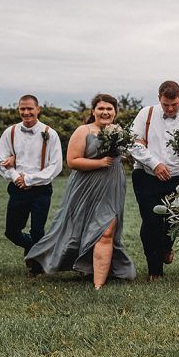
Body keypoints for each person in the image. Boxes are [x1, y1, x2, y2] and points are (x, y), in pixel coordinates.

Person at [26, 94, 136, 289]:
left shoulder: (119, 131)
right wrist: (100, 163)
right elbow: (72, 161)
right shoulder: (83, 130)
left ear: (115, 112)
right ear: (93, 111)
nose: (105, 112)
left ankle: (98, 284)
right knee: (75, 229)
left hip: (111, 186)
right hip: (85, 187)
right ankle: (46, 258)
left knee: (106, 231)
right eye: (101, 108)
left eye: (109, 109)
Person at [129, 80, 179, 282]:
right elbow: (133, 144)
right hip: (146, 177)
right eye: (166, 104)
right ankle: (155, 270)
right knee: (150, 222)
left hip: (175, 179)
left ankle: (166, 247)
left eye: (174, 104)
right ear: (159, 98)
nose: (169, 109)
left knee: (171, 222)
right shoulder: (146, 114)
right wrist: (155, 164)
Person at [0, 94, 63, 259]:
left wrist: (29, 180)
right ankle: (32, 247)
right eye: (22, 109)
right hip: (17, 188)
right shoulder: (10, 132)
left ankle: (37, 264)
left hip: (41, 189)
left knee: (38, 231)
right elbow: (1, 159)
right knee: (11, 232)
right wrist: (16, 177)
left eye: (30, 108)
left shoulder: (50, 133)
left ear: (38, 109)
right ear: (18, 109)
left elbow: (55, 166)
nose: (26, 112)